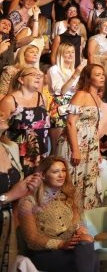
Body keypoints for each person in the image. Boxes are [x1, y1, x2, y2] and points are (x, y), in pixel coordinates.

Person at [17, 156, 100, 272]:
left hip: (70, 248)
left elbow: (78, 221)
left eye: (63, 170)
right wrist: (61, 244)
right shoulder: (28, 202)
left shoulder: (71, 195)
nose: (61, 175)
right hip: (45, 253)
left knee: (87, 246)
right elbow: (32, 239)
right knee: (89, 259)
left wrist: (81, 230)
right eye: (56, 172)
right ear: (43, 175)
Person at [56, 64, 105, 212]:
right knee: (73, 181)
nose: (102, 77)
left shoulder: (97, 98)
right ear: (88, 78)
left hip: (91, 145)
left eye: (102, 74)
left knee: (88, 181)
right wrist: (75, 150)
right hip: (75, 142)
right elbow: (70, 122)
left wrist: (98, 151)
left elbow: (95, 125)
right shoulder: (81, 94)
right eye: (97, 74)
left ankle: (84, 222)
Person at [0, 104, 44, 270]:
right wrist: (9, 196)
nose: (2, 114)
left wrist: (28, 187)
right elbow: (10, 194)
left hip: (9, 228)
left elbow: (17, 189)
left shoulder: (9, 148)